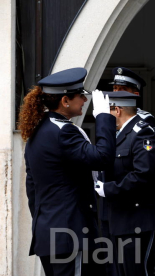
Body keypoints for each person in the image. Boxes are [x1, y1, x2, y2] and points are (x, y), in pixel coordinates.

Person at [19, 67, 116, 275]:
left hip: (48, 232)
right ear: (65, 101)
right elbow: (103, 158)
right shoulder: (64, 131)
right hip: (69, 233)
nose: (84, 100)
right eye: (80, 96)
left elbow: (32, 189)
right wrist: (103, 118)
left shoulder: (39, 132)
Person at [94, 91, 155, 276]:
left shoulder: (143, 133)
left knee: (136, 271)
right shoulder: (121, 134)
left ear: (117, 110)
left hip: (138, 218)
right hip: (122, 217)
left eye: (107, 112)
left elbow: (143, 175)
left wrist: (109, 189)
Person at [110, 66, 155, 142]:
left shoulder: (146, 120)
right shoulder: (110, 117)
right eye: (115, 88)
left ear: (136, 95)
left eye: (123, 89)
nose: (117, 92)